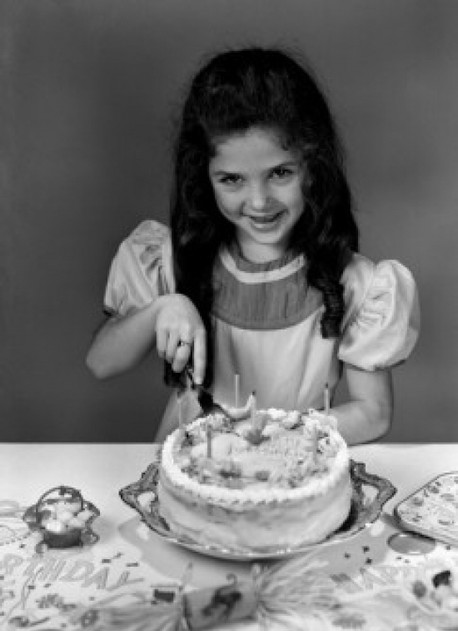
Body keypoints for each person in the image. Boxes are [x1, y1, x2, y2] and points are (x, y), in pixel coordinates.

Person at [86, 47, 420, 445]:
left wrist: (264, 437)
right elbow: (100, 363)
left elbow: (374, 414)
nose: (259, 202)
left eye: (280, 173)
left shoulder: (358, 283)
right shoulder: (173, 261)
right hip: (191, 469)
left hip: (296, 468)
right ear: (204, 179)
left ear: (314, 166)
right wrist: (164, 307)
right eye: (232, 179)